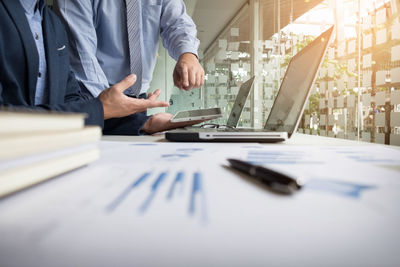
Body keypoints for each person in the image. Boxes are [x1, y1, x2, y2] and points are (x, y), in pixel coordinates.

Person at [0, 0, 199, 135]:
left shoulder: (49, 24)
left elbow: (67, 100)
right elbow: (82, 55)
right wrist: (105, 107)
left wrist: (143, 122)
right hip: (95, 95)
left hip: (109, 110)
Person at [53, 0, 205, 122]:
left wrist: (187, 54)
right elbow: (81, 52)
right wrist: (103, 107)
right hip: (93, 96)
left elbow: (177, 22)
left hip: (138, 99)